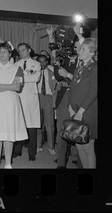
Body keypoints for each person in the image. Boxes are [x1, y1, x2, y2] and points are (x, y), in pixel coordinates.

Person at [0, 42, 28, 168]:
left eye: (5, 52)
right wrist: (9, 86)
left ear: (9, 54)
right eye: (0, 52)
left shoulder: (17, 69)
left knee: (9, 133)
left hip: (11, 102)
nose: (2, 54)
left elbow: (17, 87)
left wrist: (1, 85)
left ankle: (8, 162)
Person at [54, 35, 84, 168]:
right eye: (76, 47)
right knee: (62, 130)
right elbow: (58, 75)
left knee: (78, 132)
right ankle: (61, 163)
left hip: (80, 100)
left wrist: (68, 75)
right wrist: (57, 61)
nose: (77, 50)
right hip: (65, 97)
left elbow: (82, 85)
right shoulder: (69, 58)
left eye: (80, 47)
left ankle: (78, 159)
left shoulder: (89, 64)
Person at [68, 38, 97, 168]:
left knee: (88, 148)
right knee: (79, 146)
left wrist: (80, 112)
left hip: (87, 111)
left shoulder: (95, 68)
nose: (79, 50)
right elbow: (72, 88)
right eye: (80, 48)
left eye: (83, 49)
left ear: (92, 53)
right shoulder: (79, 67)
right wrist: (70, 106)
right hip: (75, 110)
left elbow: (93, 92)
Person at [14, 43, 41, 161]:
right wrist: (27, 75)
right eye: (19, 51)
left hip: (31, 98)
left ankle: (31, 152)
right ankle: (17, 150)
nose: (21, 53)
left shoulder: (36, 64)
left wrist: (22, 77)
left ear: (29, 50)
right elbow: (14, 79)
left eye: (23, 50)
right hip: (19, 96)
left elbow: (36, 78)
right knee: (18, 124)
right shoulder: (15, 64)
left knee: (32, 127)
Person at [36, 55, 56, 156]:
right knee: (38, 124)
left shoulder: (52, 72)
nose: (42, 64)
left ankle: (51, 147)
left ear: (47, 62)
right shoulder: (35, 72)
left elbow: (55, 88)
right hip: (37, 97)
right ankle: (39, 146)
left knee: (50, 125)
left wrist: (54, 101)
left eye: (44, 61)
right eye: (40, 61)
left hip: (48, 98)